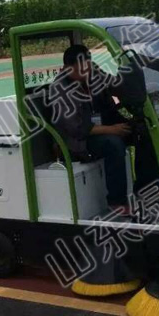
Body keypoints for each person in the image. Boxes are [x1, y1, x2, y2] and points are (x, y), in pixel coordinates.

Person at [49, 44, 131, 208]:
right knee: (113, 144)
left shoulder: (92, 75)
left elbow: (116, 86)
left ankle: (147, 185)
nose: (86, 73)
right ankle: (117, 202)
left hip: (101, 129)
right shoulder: (59, 89)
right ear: (67, 68)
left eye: (88, 66)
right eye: (81, 70)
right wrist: (113, 130)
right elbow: (77, 128)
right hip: (78, 142)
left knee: (142, 131)